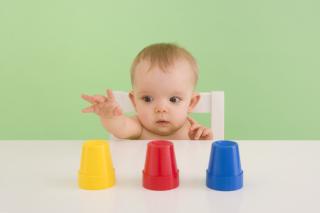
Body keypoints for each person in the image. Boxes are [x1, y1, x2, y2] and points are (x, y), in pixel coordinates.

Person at [81, 43, 213, 140]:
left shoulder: (193, 131)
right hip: (143, 178)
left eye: (174, 99)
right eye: (148, 99)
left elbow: (204, 159)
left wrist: (204, 141)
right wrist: (109, 116)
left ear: (191, 103)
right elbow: (120, 127)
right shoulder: (138, 128)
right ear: (134, 101)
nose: (161, 109)